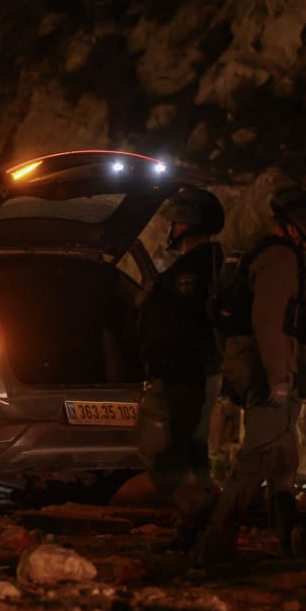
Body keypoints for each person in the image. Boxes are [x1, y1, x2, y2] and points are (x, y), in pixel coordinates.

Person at [198, 184, 306, 565]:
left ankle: (288, 536)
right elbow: (269, 320)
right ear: (298, 224)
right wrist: (279, 378)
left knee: (285, 455)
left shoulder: (267, 252)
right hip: (265, 364)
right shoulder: (279, 258)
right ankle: (215, 547)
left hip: (259, 361)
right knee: (257, 456)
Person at [134, 187, 225, 553]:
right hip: (199, 374)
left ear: (188, 223)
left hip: (182, 376)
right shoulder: (210, 265)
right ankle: (196, 533)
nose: (170, 227)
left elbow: (179, 327)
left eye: (176, 220)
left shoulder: (192, 272)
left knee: (159, 450)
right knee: (193, 452)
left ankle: (205, 515)